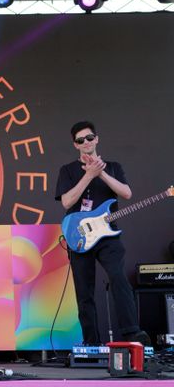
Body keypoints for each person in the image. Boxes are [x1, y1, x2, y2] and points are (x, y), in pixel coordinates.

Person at [55, 121, 150, 345]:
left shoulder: (113, 166)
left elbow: (126, 193)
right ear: (75, 145)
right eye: (81, 140)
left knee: (119, 278)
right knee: (84, 290)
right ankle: (91, 342)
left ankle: (132, 333)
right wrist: (88, 175)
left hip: (108, 235)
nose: (86, 142)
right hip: (79, 236)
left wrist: (101, 173)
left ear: (96, 139)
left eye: (89, 138)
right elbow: (67, 201)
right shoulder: (67, 170)